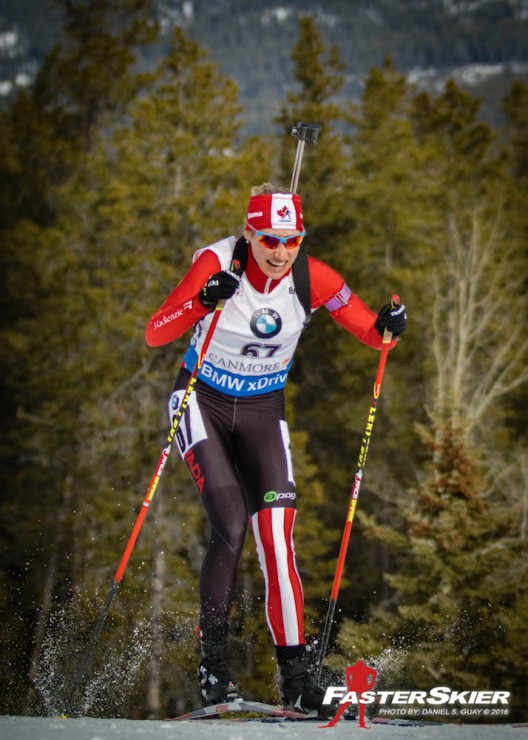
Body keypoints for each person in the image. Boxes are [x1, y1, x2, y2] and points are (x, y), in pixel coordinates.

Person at [145, 183, 407, 715]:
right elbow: (156, 332)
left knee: (277, 536)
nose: (281, 251)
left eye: (291, 240)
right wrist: (203, 300)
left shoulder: (313, 278)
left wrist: (389, 328)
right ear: (250, 233)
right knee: (230, 523)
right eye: (269, 239)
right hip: (202, 400)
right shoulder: (218, 263)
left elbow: (371, 333)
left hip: (263, 410)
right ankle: (214, 666)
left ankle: (297, 675)